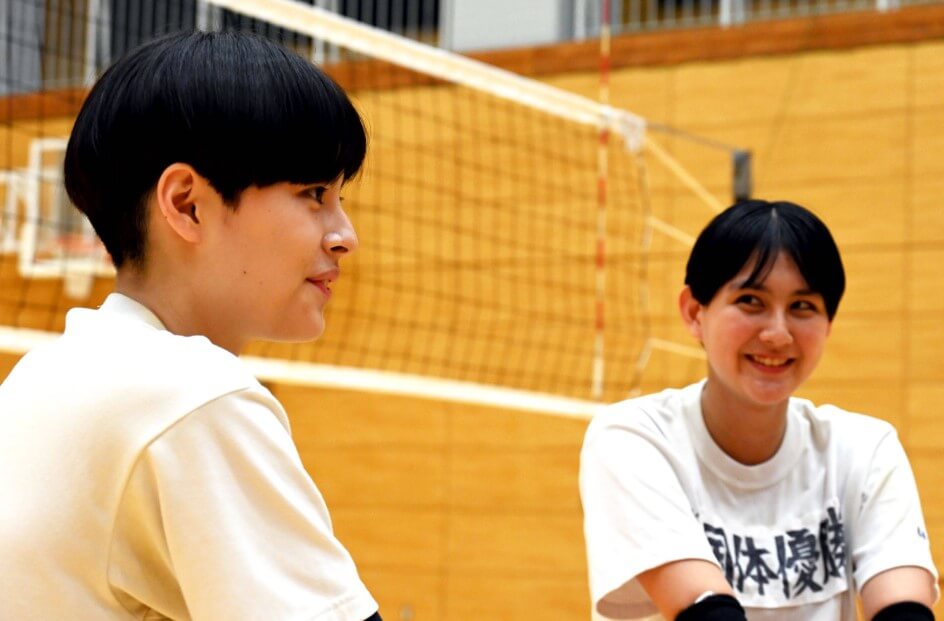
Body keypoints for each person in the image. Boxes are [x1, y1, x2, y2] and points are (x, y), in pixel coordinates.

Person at [0, 31, 382, 620]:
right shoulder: (192, 396)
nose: (344, 235)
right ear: (186, 204)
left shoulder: (34, 378)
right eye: (314, 193)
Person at [580, 200, 938, 621]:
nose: (777, 334)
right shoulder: (635, 439)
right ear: (695, 312)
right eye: (752, 301)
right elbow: (707, 613)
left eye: (803, 307)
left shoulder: (864, 448)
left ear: (828, 324)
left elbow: (903, 608)